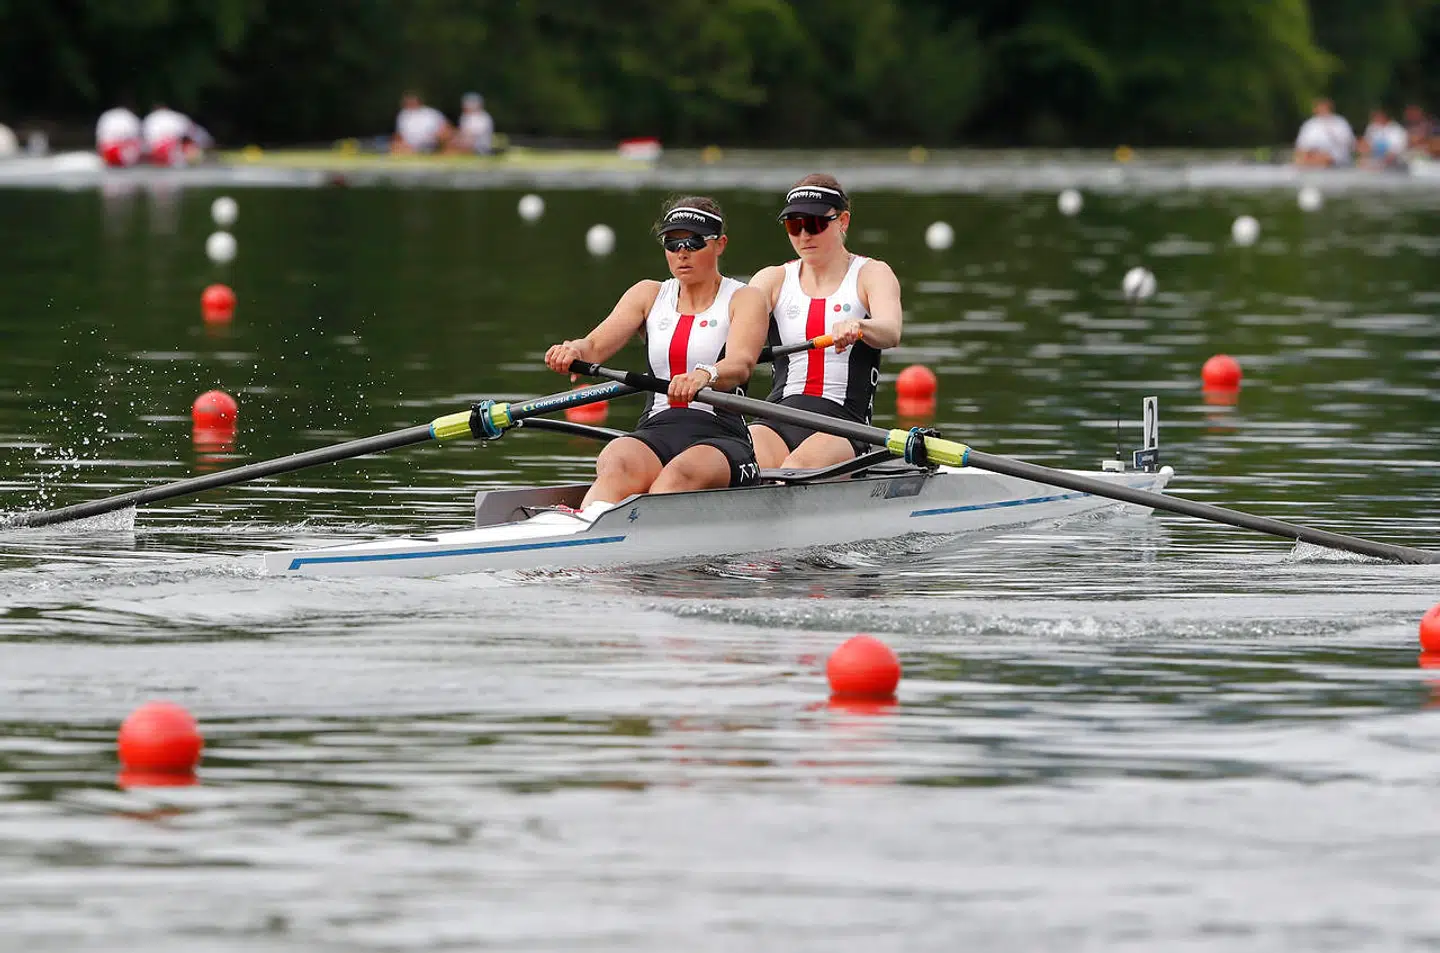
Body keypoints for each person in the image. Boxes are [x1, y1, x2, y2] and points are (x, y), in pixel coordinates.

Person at [543, 197, 769, 517]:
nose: (682, 252)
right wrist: (574, 350)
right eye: (672, 242)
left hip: (721, 438)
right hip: (657, 430)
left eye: (693, 241)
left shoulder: (744, 298)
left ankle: (631, 534)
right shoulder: (648, 294)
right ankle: (580, 536)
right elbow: (594, 345)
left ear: (720, 245)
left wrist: (705, 374)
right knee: (616, 460)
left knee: (677, 477)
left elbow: (742, 363)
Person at [745, 174, 903, 470]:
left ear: (842, 221)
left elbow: (891, 331)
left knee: (794, 469)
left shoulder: (872, 274)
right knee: (743, 464)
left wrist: (861, 326)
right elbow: (734, 331)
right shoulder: (772, 279)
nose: (804, 235)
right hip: (776, 416)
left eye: (815, 224)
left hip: (844, 425)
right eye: (794, 225)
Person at [1293, 98, 1355, 168]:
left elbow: (1348, 143)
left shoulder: (1340, 123)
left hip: (1336, 158)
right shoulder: (1309, 125)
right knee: (1301, 159)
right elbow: (1302, 147)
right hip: (1313, 156)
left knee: (1325, 159)